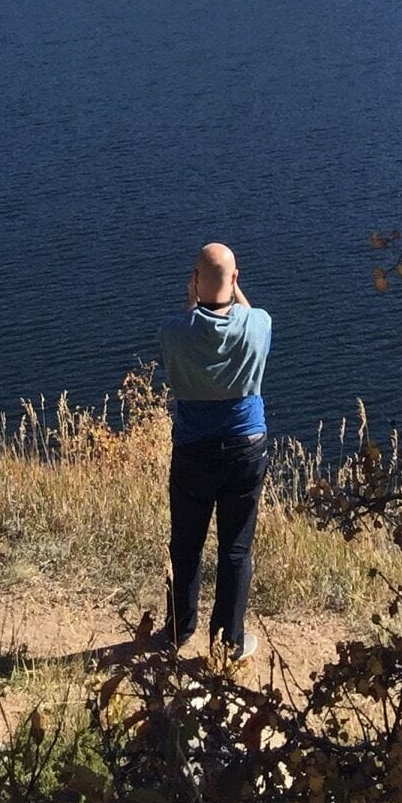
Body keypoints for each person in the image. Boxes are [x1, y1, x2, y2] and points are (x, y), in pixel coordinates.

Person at [156, 240, 272, 660]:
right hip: (246, 449)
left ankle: (177, 630)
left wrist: (195, 302)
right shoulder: (259, 323)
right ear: (236, 280)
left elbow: (188, 331)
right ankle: (227, 645)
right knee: (235, 549)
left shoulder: (173, 331)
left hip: (193, 453)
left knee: (185, 544)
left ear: (194, 282)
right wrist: (233, 289)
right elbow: (248, 311)